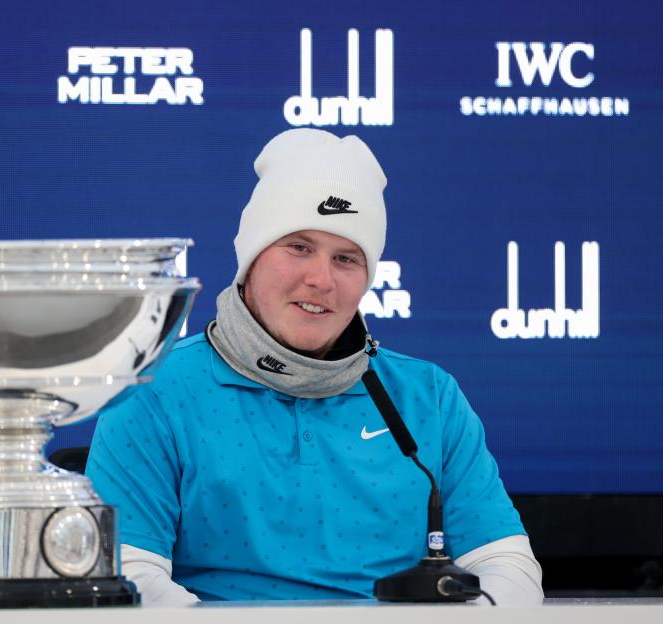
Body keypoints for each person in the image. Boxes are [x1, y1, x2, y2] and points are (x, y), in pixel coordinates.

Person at [85, 128, 543, 606]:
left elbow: (506, 566)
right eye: (299, 247)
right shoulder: (152, 389)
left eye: (345, 258)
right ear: (250, 260)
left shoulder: (429, 396)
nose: (320, 279)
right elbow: (130, 579)